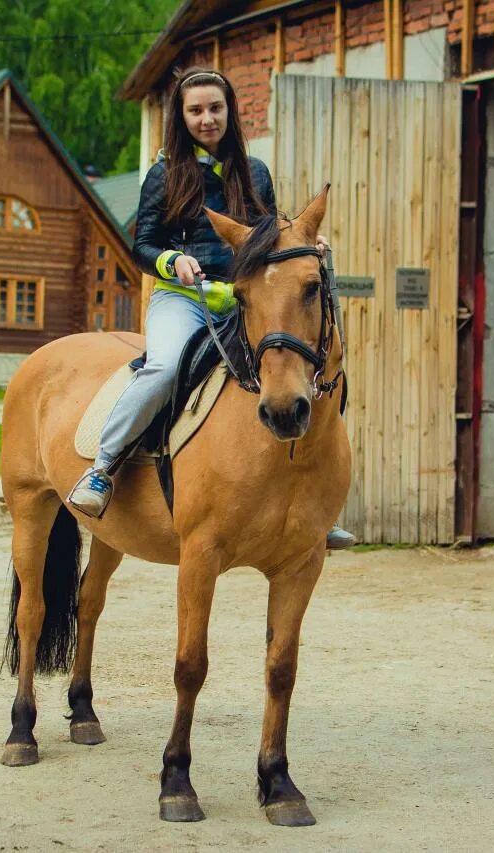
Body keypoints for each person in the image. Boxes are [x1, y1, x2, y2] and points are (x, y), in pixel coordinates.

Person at [67, 67, 356, 550]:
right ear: (182, 118)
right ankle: (102, 469)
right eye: (196, 110)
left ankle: (315, 507)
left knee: (316, 364)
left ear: (230, 113)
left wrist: (307, 241)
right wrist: (172, 259)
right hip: (185, 301)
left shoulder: (255, 172)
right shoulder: (164, 175)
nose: (207, 118)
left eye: (215, 109)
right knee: (163, 370)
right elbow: (140, 244)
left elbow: (272, 235)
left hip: (245, 301)